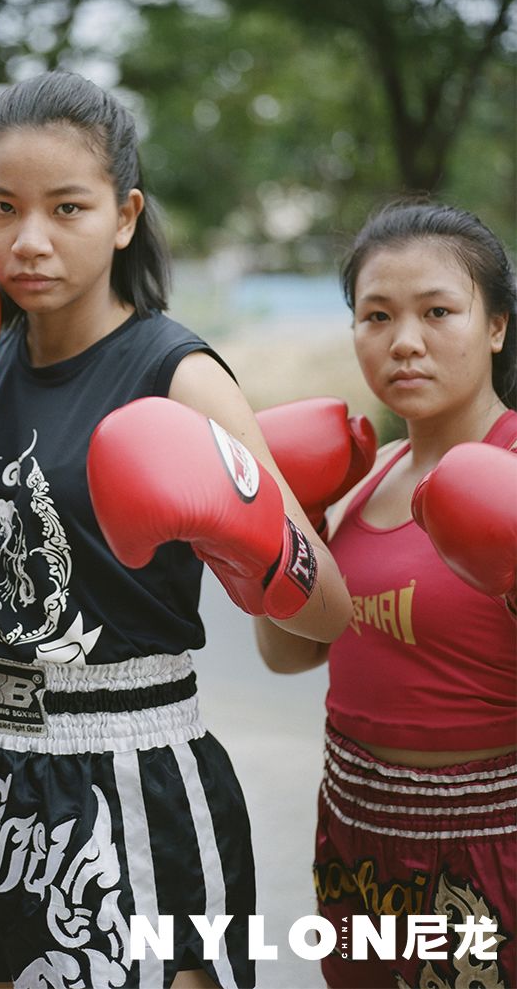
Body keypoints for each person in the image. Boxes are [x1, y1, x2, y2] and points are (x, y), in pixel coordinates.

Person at [0, 69, 352, 988]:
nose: (27, 239)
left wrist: (256, 538)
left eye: (66, 208)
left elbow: (328, 611)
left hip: (127, 770)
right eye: (2, 207)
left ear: (123, 215)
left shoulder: (177, 373)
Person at [254, 200, 517, 989]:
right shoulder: (356, 481)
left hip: (490, 843)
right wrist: (279, 527)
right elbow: (291, 652)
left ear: (496, 325)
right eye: (375, 315)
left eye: (437, 310)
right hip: (356, 835)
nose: (404, 340)